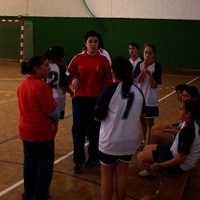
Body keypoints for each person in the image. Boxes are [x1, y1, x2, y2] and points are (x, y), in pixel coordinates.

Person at [94, 56, 146, 200]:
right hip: (129, 140)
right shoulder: (138, 92)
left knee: (107, 176)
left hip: (110, 141)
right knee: (123, 174)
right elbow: (143, 113)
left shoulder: (109, 91)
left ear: (113, 71)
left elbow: (98, 116)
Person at [67, 30, 113, 172]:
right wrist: (74, 78)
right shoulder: (77, 58)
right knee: (78, 131)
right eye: (90, 41)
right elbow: (70, 72)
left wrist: (103, 100)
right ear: (85, 43)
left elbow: (108, 82)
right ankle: (78, 161)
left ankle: (93, 158)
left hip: (96, 101)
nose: (93, 44)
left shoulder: (103, 60)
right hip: (80, 100)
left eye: (95, 41)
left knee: (94, 132)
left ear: (99, 44)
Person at [17, 55, 60, 200]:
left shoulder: (23, 85)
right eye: (46, 65)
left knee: (29, 164)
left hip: (25, 131)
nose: (49, 68)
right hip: (40, 133)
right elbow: (53, 113)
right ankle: (40, 195)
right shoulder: (42, 87)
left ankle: (28, 194)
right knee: (44, 166)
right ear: (36, 69)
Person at [137, 99, 200, 178]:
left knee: (141, 157)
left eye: (181, 110)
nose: (179, 111)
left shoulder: (188, 132)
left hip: (181, 165)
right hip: (174, 151)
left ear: (188, 114)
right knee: (146, 147)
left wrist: (160, 165)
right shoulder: (189, 123)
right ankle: (158, 170)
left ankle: (161, 179)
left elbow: (181, 159)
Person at [134, 43, 162, 148]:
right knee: (142, 121)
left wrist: (150, 75)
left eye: (150, 53)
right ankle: (145, 141)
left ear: (154, 54)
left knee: (150, 124)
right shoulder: (140, 65)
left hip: (150, 99)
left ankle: (148, 145)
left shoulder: (157, 66)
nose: (147, 55)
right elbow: (139, 80)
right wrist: (143, 70)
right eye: (146, 52)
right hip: (141, 99)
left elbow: (154, 85)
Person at [44, 46, 73, 119]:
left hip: (46, 98)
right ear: (60, 57)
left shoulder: (44, 67)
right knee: (55, 121)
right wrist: (71, 92)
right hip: (58, 100)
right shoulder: (61, 68)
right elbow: (64, 85)